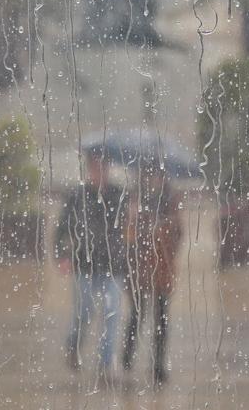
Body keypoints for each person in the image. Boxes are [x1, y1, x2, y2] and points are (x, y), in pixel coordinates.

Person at [54, 148, 127, 380]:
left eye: (104, 167)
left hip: (112, 266)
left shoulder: (118, 194)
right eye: (96, 167)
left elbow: (126, 227)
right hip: (84, 264)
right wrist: (61, 256)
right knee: (84, 313)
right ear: (89, 168)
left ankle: (105, 364)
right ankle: (73, 347)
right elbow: (61, 228)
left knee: (111, 312)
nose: (100, 172)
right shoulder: (78, 194)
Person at [121, 161, 183, 386]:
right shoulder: (136, 199)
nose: (153, 178)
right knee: (137, 315)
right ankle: (127, 356)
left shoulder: (170, 200)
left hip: (163, 269)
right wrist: (135, 223)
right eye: (149, 173)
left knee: (161, 318)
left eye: (157, 174)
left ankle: (158, 365)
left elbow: (179, 233)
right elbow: (128, 236)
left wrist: (163, 231)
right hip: (139, 269)